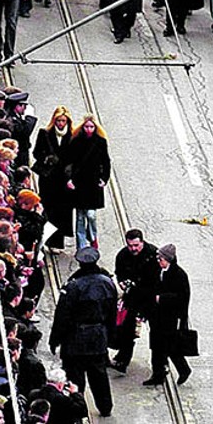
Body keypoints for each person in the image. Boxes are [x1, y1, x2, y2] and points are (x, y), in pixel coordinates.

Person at [49, 246, 116, 418]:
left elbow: (62, 316)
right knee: (99, 374)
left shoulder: (73, 286)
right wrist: (110, 335)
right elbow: (112, 313)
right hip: (98, 336)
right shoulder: (107, 283)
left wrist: (55, 339)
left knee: (75, 377)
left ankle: (78, 410)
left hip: (75, 338)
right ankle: (105, 406)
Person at [111, 230, 160, 374]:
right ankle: (123, 359)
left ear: (142, 242)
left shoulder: (153, 254)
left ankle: (160, 366)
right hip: (132, 298)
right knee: (127, 329)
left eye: (136, 245)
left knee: (157, 333)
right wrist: (122, 282)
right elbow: (119, 272)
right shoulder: (123, 255)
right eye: (130, 245)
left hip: (151, 299)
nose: (133, 249)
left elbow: (159, 278)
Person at [143, 244, 192, 387]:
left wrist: (162, 298)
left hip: (170, 317)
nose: (159, 261)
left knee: (169, 346)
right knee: (156, 346)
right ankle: (158, 374)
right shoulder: (159, 270)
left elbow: (182, 297)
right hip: (156, 315)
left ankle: (183, 369)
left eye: (161, 259)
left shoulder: (179, 275)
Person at [65, 116, 111, 252]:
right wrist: (69, 179)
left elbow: (106, 161)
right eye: (86, 127)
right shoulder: (76, 141)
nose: (89, 129)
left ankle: (92, 236)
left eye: (91, 127)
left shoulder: (100, 142)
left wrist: (104, 178)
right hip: (79, 182)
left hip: (93, 183)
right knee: (80, 216)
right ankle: (81, 245)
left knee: (91, 215)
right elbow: (69, 162)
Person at [33, 108, 74, 251]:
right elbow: (36, 152)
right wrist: (46, 158)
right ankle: (46, 240)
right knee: (48, 209)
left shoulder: (72, 136)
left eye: (63, 121)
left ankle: (57, 242)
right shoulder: (45, 133)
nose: (61, 123)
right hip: (48, 178)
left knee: (61, 211)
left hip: (63, 180)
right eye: (58, 120)